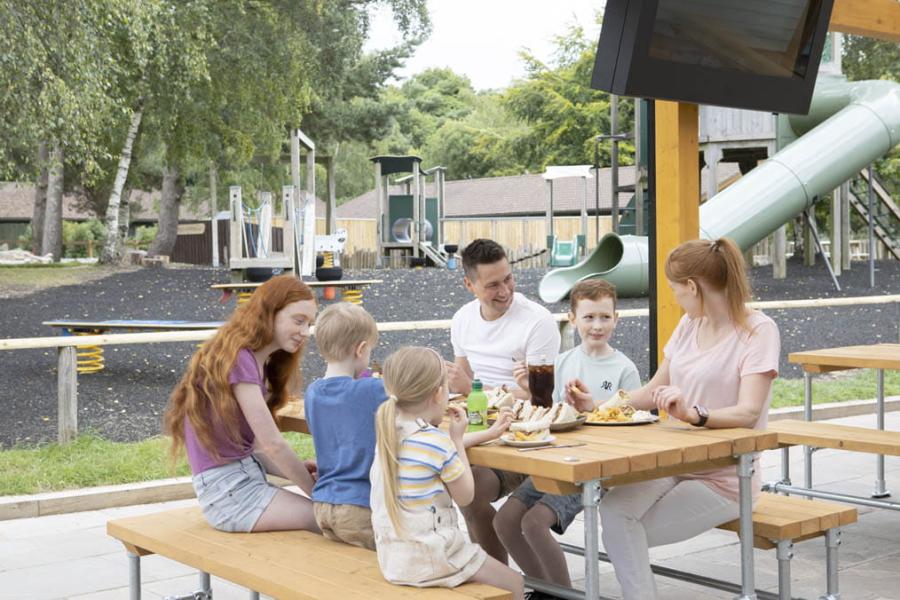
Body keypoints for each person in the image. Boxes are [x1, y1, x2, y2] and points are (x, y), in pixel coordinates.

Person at [594, 238, 780, 600]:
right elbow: (651, 391)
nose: (676, 298)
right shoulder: (688, 325)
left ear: (692, 287)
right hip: (674, 462)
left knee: (626, 532)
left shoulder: (759, 330)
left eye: (676, 290)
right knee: (613, 512)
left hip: (727, 475)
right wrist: (596, 406)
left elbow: (748, 412)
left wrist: (695, 416)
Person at [494, 279, 640, 592]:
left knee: (533, 523)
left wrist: (590, 411)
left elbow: (631, 424)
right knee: (504, 520)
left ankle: (563, 593)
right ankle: (545, 588)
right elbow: (545, 407)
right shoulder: (562, 362)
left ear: (617, 318)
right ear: (572, 320)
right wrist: (527, 386)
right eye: (589, 317)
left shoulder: (624, 369)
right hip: (557, 461)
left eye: (604, 317)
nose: (597, 325)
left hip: (593, 469)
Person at [164, 275, 320, 533]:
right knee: (331, 520)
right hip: (227, 494)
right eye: (298, 321)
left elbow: (256, 449)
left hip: (243, 480)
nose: (305, 332)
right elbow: (273, 445)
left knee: (335, 519)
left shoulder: (259, 361)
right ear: (270, 313)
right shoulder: (239, 358)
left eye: (309, 324)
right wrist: (318, 492)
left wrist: (296, 470)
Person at [370, 346, 523, 599]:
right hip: (435, 558)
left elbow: (439, 448)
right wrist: (457, 439)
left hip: (395, 559)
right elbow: (466, 496)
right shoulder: (437, 442)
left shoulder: (390, 433)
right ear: (439, 393)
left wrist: (486, 434)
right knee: (513, 584)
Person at [449, 238, 561, 562]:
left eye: (509, 279)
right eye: (493, 284)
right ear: (469, 284)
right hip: (479, 429)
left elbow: (539, 398)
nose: (505, 290)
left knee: (469, 488)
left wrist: (471, 390)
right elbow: (462, 384)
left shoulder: (536, 321)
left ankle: (500, 582)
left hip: (521, 436)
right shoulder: (462, 319)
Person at [304, 302, 384, 550]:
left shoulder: (312, 392)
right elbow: (411, 398)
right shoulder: (371, 389)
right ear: (360, 349)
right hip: (360, 503)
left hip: (323, 502)